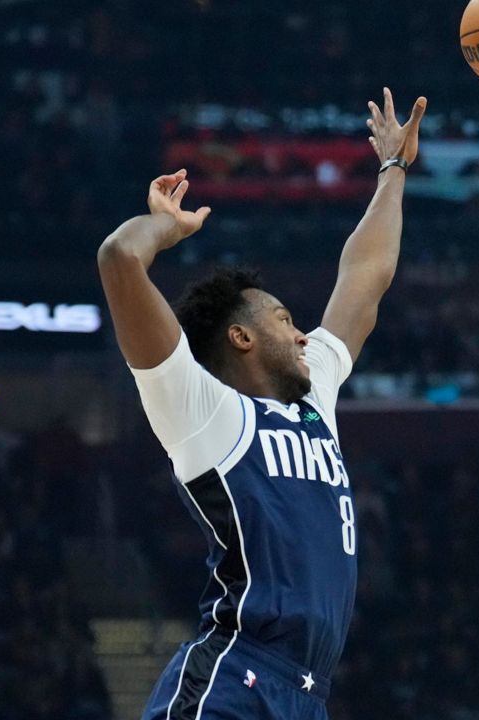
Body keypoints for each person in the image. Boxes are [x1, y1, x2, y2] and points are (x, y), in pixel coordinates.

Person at [97, 88, 426, 720]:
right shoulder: (202, 409)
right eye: (284, 319)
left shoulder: (314, 396)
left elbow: (365, 275)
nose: (306, 335)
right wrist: (164, 226)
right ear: (241, 337)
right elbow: (118, 258)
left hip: (308, 692)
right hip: (235, 675)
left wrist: (392, 170)